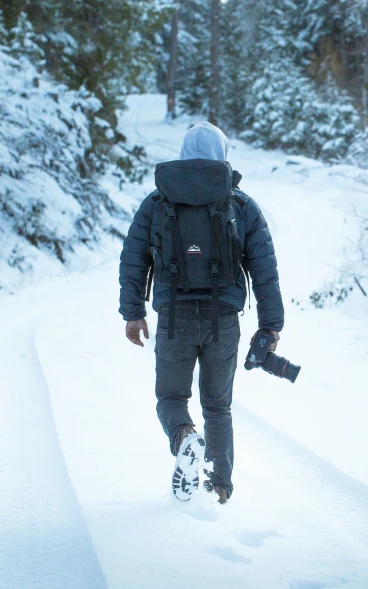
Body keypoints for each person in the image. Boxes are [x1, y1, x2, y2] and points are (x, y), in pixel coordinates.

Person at [119, 121, 284, 504]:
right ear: (222, 155)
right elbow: (265, 269)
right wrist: (271, 326)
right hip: (223, 319)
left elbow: (133, 258)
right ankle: (219, 487)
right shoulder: (241, 204)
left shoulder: (157, 202)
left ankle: (182, 436)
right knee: (218, 405)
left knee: (171, 397)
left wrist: (133, 312)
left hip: (174, 316)